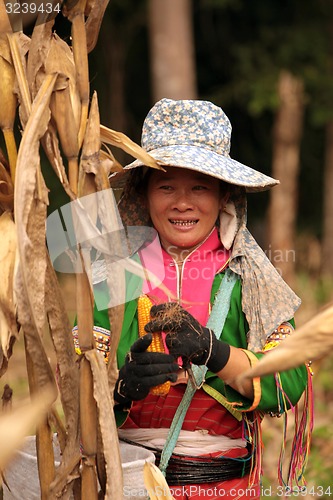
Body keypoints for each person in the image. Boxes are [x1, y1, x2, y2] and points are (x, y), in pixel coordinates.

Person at [80, 99, 312, 499]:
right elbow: (76, 385)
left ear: (224, 195)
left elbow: (289, 378)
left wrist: (216, 354)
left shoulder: (249, 279)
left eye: (200, 187)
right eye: (166, 186)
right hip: (127, 483)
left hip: (225, 486)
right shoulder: (114, 279)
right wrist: (120, 389)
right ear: (144, 194)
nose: (182, 203)